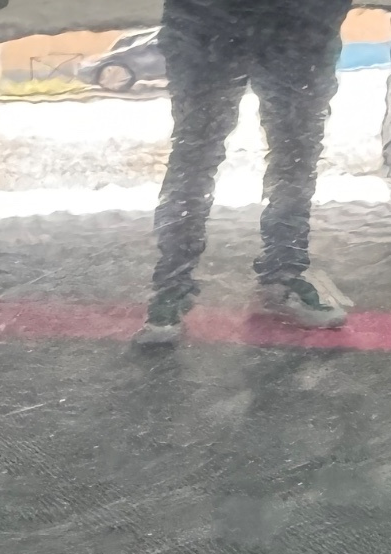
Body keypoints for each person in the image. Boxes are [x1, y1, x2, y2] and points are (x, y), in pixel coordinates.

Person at [134, 0, 355, 346]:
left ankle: (280, 274)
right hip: (214, 18)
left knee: (292, 149)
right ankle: (173, 285)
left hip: (293, 21)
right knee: (199, 148)